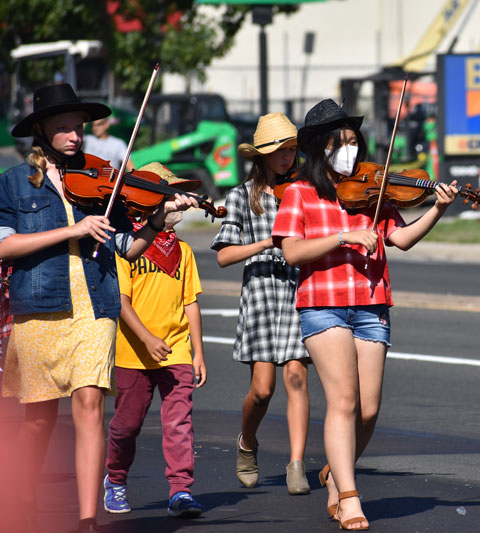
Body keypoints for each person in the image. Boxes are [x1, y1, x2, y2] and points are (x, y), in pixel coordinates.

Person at [0, 83, 198, 533]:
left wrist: (157, 220)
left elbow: (128, 248)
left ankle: (88, 518)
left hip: (95, 303)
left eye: (79, 128)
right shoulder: (12, 183)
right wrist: (73, 231)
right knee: (38, 418)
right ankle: (24, 490)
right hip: (40, 307)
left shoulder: (100, 178)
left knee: (90, 404)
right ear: (41, 131)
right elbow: (5, 245)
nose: (75, 136)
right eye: (64, 128)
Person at [271, 99, 459, 531]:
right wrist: (343, 235)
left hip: (372, 303)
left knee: (369, 410)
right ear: (320, 148)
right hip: (323, 304)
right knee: (343, 401)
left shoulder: (370, 189)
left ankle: (339, 470)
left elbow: (402, 239)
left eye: (354, 142)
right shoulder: (300, 193)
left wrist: (437, 208)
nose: (350, 151)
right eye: (340, 144)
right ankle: (349, 496)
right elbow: (292, 250)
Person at [210, 113, 312, 495]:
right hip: (261, 295)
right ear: (262, 156)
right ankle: (247, 442)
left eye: (292, 151)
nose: (288, 158)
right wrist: (270, 242)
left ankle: (297, 464)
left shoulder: (304, 190)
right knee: (263, 389)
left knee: (297, 377)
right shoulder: (240, 195)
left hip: (298, 291)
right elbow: (223, 256)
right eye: (279, 152)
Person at [103, 162, 207, 519]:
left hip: (176, 348)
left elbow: (190, 302)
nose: (176, 204)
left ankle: (181, 489)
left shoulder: (185, 252)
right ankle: (115, 479)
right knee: (127, 425)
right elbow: (121, 302)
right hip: (134, 351)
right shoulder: (128, 247)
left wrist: (198, 353)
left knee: (178, 420)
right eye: (168, 197)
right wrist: (146, 339)